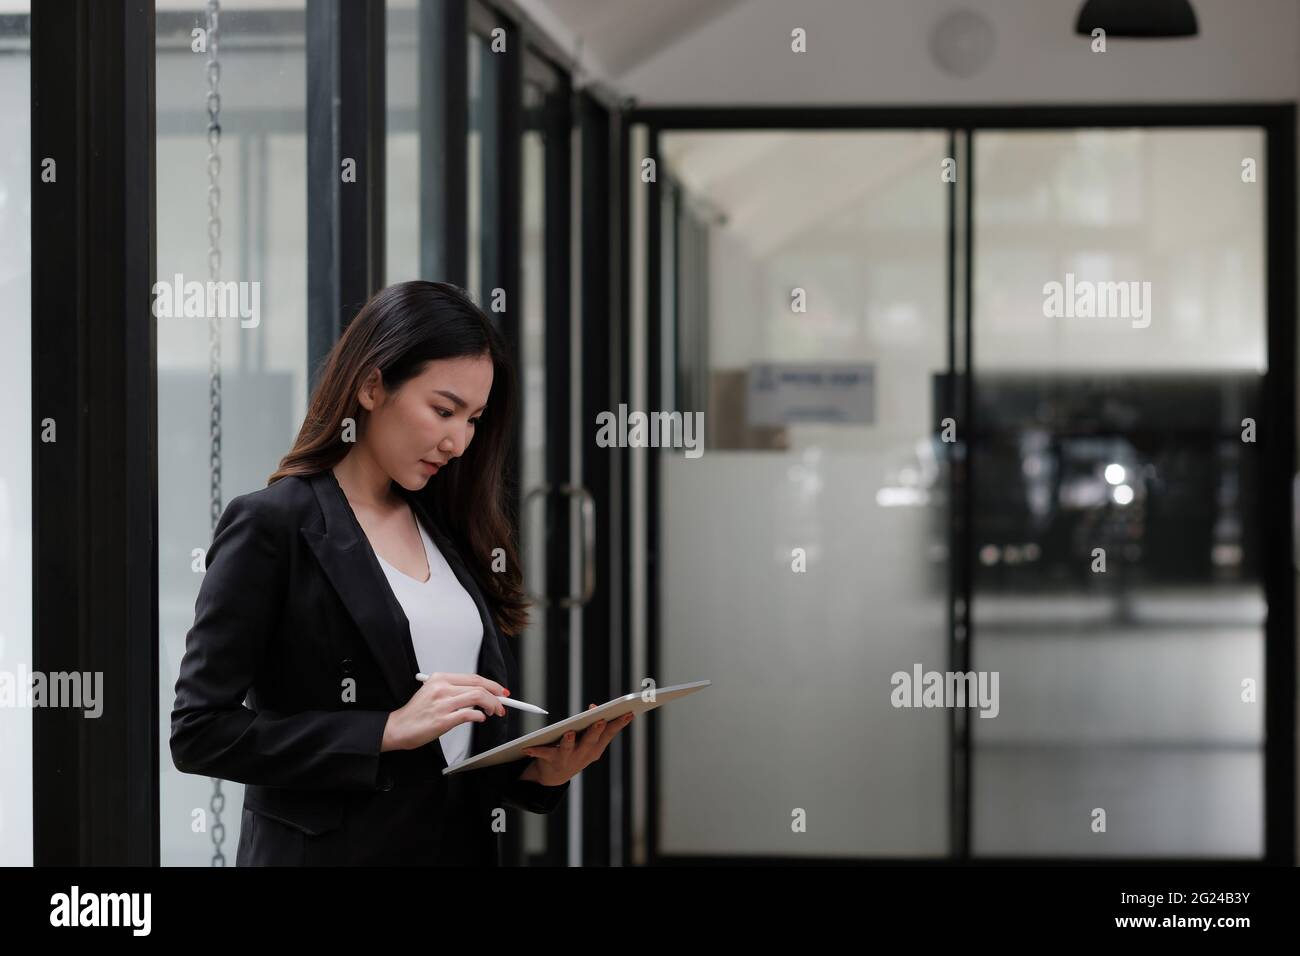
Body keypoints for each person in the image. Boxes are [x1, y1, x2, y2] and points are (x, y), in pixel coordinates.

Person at [170, 280, 630, 865]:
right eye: (444, 410)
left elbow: (449, 750)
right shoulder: (273, 525)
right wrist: (383, 730)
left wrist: (543, 773)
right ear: (371, 385)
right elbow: (199, 733)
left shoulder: (445, 527)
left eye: (474, 419)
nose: (458, 441)